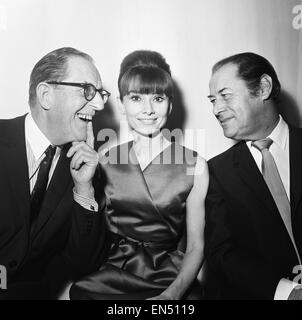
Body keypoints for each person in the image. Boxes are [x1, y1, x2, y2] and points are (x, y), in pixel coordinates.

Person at [70, 50, 208, 300]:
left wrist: (171, 296)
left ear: (171, 104)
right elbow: (87, 241)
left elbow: (196, 246)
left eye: (157, 98)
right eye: (135, 98)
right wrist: (84, 185)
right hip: (112, 275)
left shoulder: (196, 166)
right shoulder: (104, 159)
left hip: (171, 280)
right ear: (122, 105)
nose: (148, 110)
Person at [0, 47, 110, 299]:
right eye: (87, 90)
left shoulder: (85, 171)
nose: (100, 104)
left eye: (100, 93)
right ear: (46, 95)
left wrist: (84, 189)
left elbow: (83, 265)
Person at [204, 52, 302, 300]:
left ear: (263, 88)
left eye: (225, 96)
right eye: (212, 100)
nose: (216, 109)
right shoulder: (216, 172)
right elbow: (222, 253)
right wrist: (286, 293)